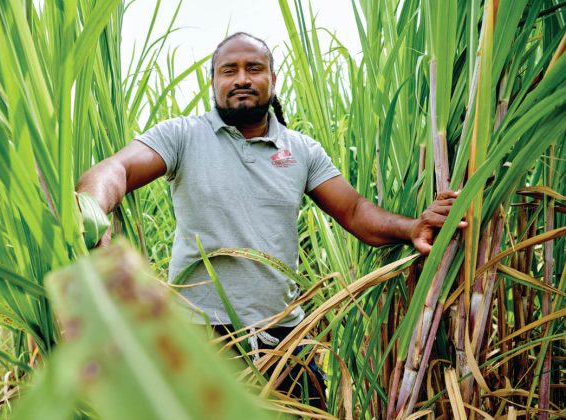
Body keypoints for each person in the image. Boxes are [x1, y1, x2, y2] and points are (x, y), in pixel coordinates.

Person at [76, 32, 464, 407]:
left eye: (254, 68)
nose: (242, 79)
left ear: (272, 80)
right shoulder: (182, 136)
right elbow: (116, 169)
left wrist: (411, 226)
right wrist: (93, 208)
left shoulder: (301, 151)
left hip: (282, 338)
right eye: (229, 70)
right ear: (212, 81)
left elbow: (355, 211)